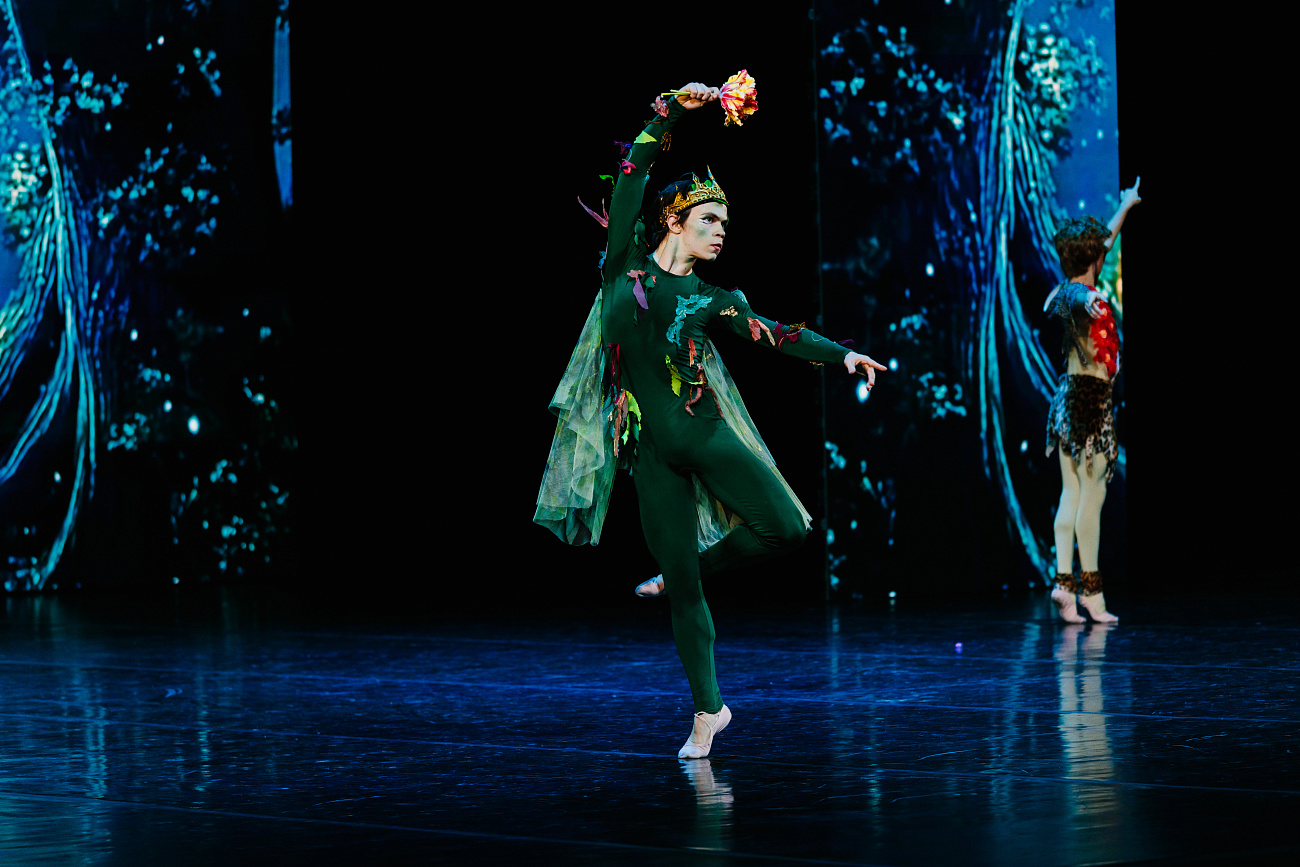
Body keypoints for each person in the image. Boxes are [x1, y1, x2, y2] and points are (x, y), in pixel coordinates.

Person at [534, 82, 884, 759]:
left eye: (725, 222)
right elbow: (631, 175)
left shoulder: (711, 299)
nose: (722, 230)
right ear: (674, 221)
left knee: (788, 528)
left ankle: (687, 567)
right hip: (651, 455)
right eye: (710, 219)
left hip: (703, 433)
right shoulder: (623, 266)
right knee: (685, 597)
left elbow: (777, 334)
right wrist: (667, 109)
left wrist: (841, 355)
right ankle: (707, 712)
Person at [1044, 178, 1141, 624]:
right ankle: (1092, 593)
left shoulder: (1073, 287)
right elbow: (1072, 298)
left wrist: (1125, 205)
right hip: (1088, 405)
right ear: (1094, 262)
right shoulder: (1078, 296)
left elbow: (1102, 244)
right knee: (1091, 498)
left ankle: (1064, 587)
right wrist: (1089, 300)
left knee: (1072, 494)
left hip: (1070, 400)